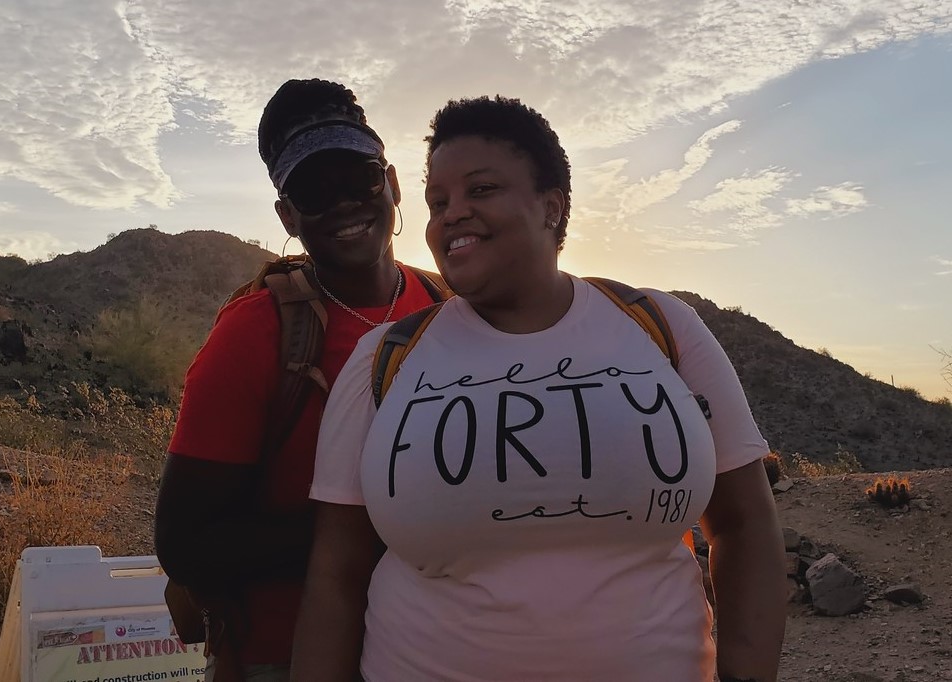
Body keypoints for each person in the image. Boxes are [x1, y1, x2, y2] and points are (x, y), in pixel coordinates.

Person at [292, 95, 786, 682]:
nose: (452, 214)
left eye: (481, 190)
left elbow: (745, 524)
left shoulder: (660, 329)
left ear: (552, 206)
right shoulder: (387, 358)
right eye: (437, 201)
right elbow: (335, 575)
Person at [153, 79, 446, 682]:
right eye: (313, 191)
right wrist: (376, 527)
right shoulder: (257, 332)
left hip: (437, 648)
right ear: (287, 214)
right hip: (282, 657)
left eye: (358, 178)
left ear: (390, 184)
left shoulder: (450, 306)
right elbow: (186, 544)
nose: (341, 203)